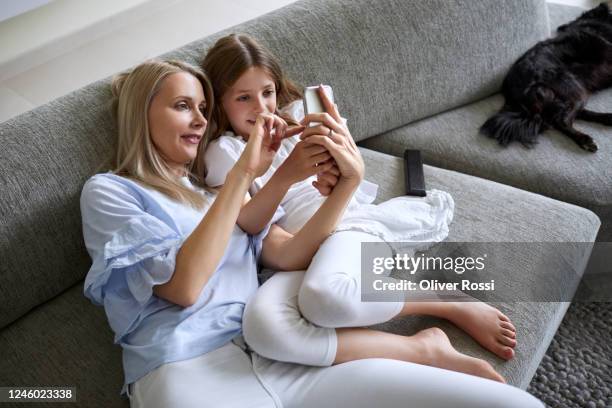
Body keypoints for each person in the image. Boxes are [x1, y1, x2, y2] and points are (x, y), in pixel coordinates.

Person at [81, 58, 543, 407]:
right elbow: (183, 288)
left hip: (285, 354)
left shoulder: (209, 192)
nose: (202, 121)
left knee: (513, 404)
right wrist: (244, 174)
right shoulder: (109, 192)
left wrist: (344, 184)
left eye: (203, 107)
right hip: (188, 372)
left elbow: (285, 256)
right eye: (183, 106)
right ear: (141, 114)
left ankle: (428, 338)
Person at [201, 33, 518, 367]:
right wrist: (288, 175)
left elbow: (351, 176)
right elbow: (251, 226)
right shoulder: (225, 152)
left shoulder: (297, 116)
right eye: (243, 98)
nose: (262, 108)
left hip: (348, 229)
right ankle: (423, 348)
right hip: (303, 252)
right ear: (219, 103)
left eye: (267, 93)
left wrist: (333, 177)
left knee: (324, 298)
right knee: (265, 326)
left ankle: (447, 301)